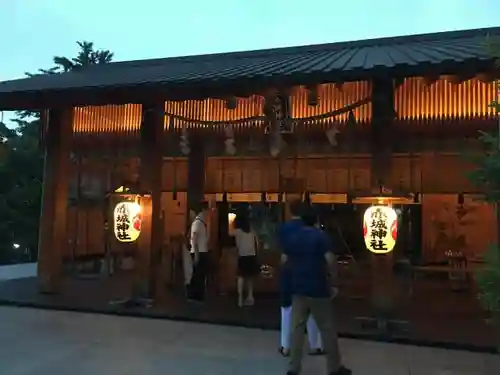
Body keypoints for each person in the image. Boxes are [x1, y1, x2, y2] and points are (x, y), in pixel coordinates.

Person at [281, 204, 351, 375]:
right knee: (326, 328)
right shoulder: (320, 237)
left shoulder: (294, 237)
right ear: (316, 220)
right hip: (318, 288)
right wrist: (334, 281)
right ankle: (334, 367)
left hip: (298, 288)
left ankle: (293, 367)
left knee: (297, 329)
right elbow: (330, 260)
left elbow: (284, 260)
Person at [277, 200, 324, 357]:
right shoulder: (309, 230)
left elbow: (283, 254)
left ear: (290, 211)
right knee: (310, 310)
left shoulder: (284, 229)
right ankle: (315, 345)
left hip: (289, 272)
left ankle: (285, 346)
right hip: (309, 272)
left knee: (287, 310)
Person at [233, 213, 259, 307]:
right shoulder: (252, 231)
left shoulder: (237, 232)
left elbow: (237, 245)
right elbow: (257, 243)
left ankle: (240, 298)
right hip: (252, 255)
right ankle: (250, 297)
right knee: (250, 277)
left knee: (240, 277)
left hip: (242, 256)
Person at [187, 201, 210, 302]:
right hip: (199, 252)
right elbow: (195, 239)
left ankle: (197, 295)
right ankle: (194, 295)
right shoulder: (198, 223)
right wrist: (196, 254)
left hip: (201, 251)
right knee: (197, 274)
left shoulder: (201, 223)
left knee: (199, 274)